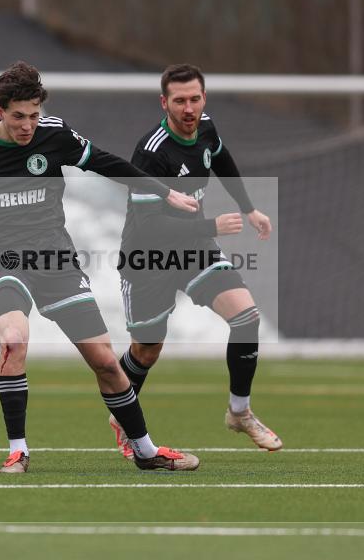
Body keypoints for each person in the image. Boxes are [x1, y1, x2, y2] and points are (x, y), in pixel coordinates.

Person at [0, 61, 201, 473]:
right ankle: (18, 450)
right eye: (18, 116)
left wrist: (164, 192)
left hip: (55, 258)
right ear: (0, 112)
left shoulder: (56, 135)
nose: (27, 125)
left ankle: (146, 450)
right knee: (14, 340)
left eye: (33, 115)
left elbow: (106, 162)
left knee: (103, 359)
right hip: (3, 259)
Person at [111, 63, 282, 459]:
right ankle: (122, 415)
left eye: (194, 99)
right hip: (148, 257)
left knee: (246, 317)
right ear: (164, 103)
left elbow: (221, 159)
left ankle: (239, 412)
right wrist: (211, 225)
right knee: (147, 349)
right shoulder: (150, 152)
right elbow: (150, 228)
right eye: (179, 101)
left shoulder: (206, 127)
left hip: (194, 248)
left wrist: (249, 209)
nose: (188, 108)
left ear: (204, 98)